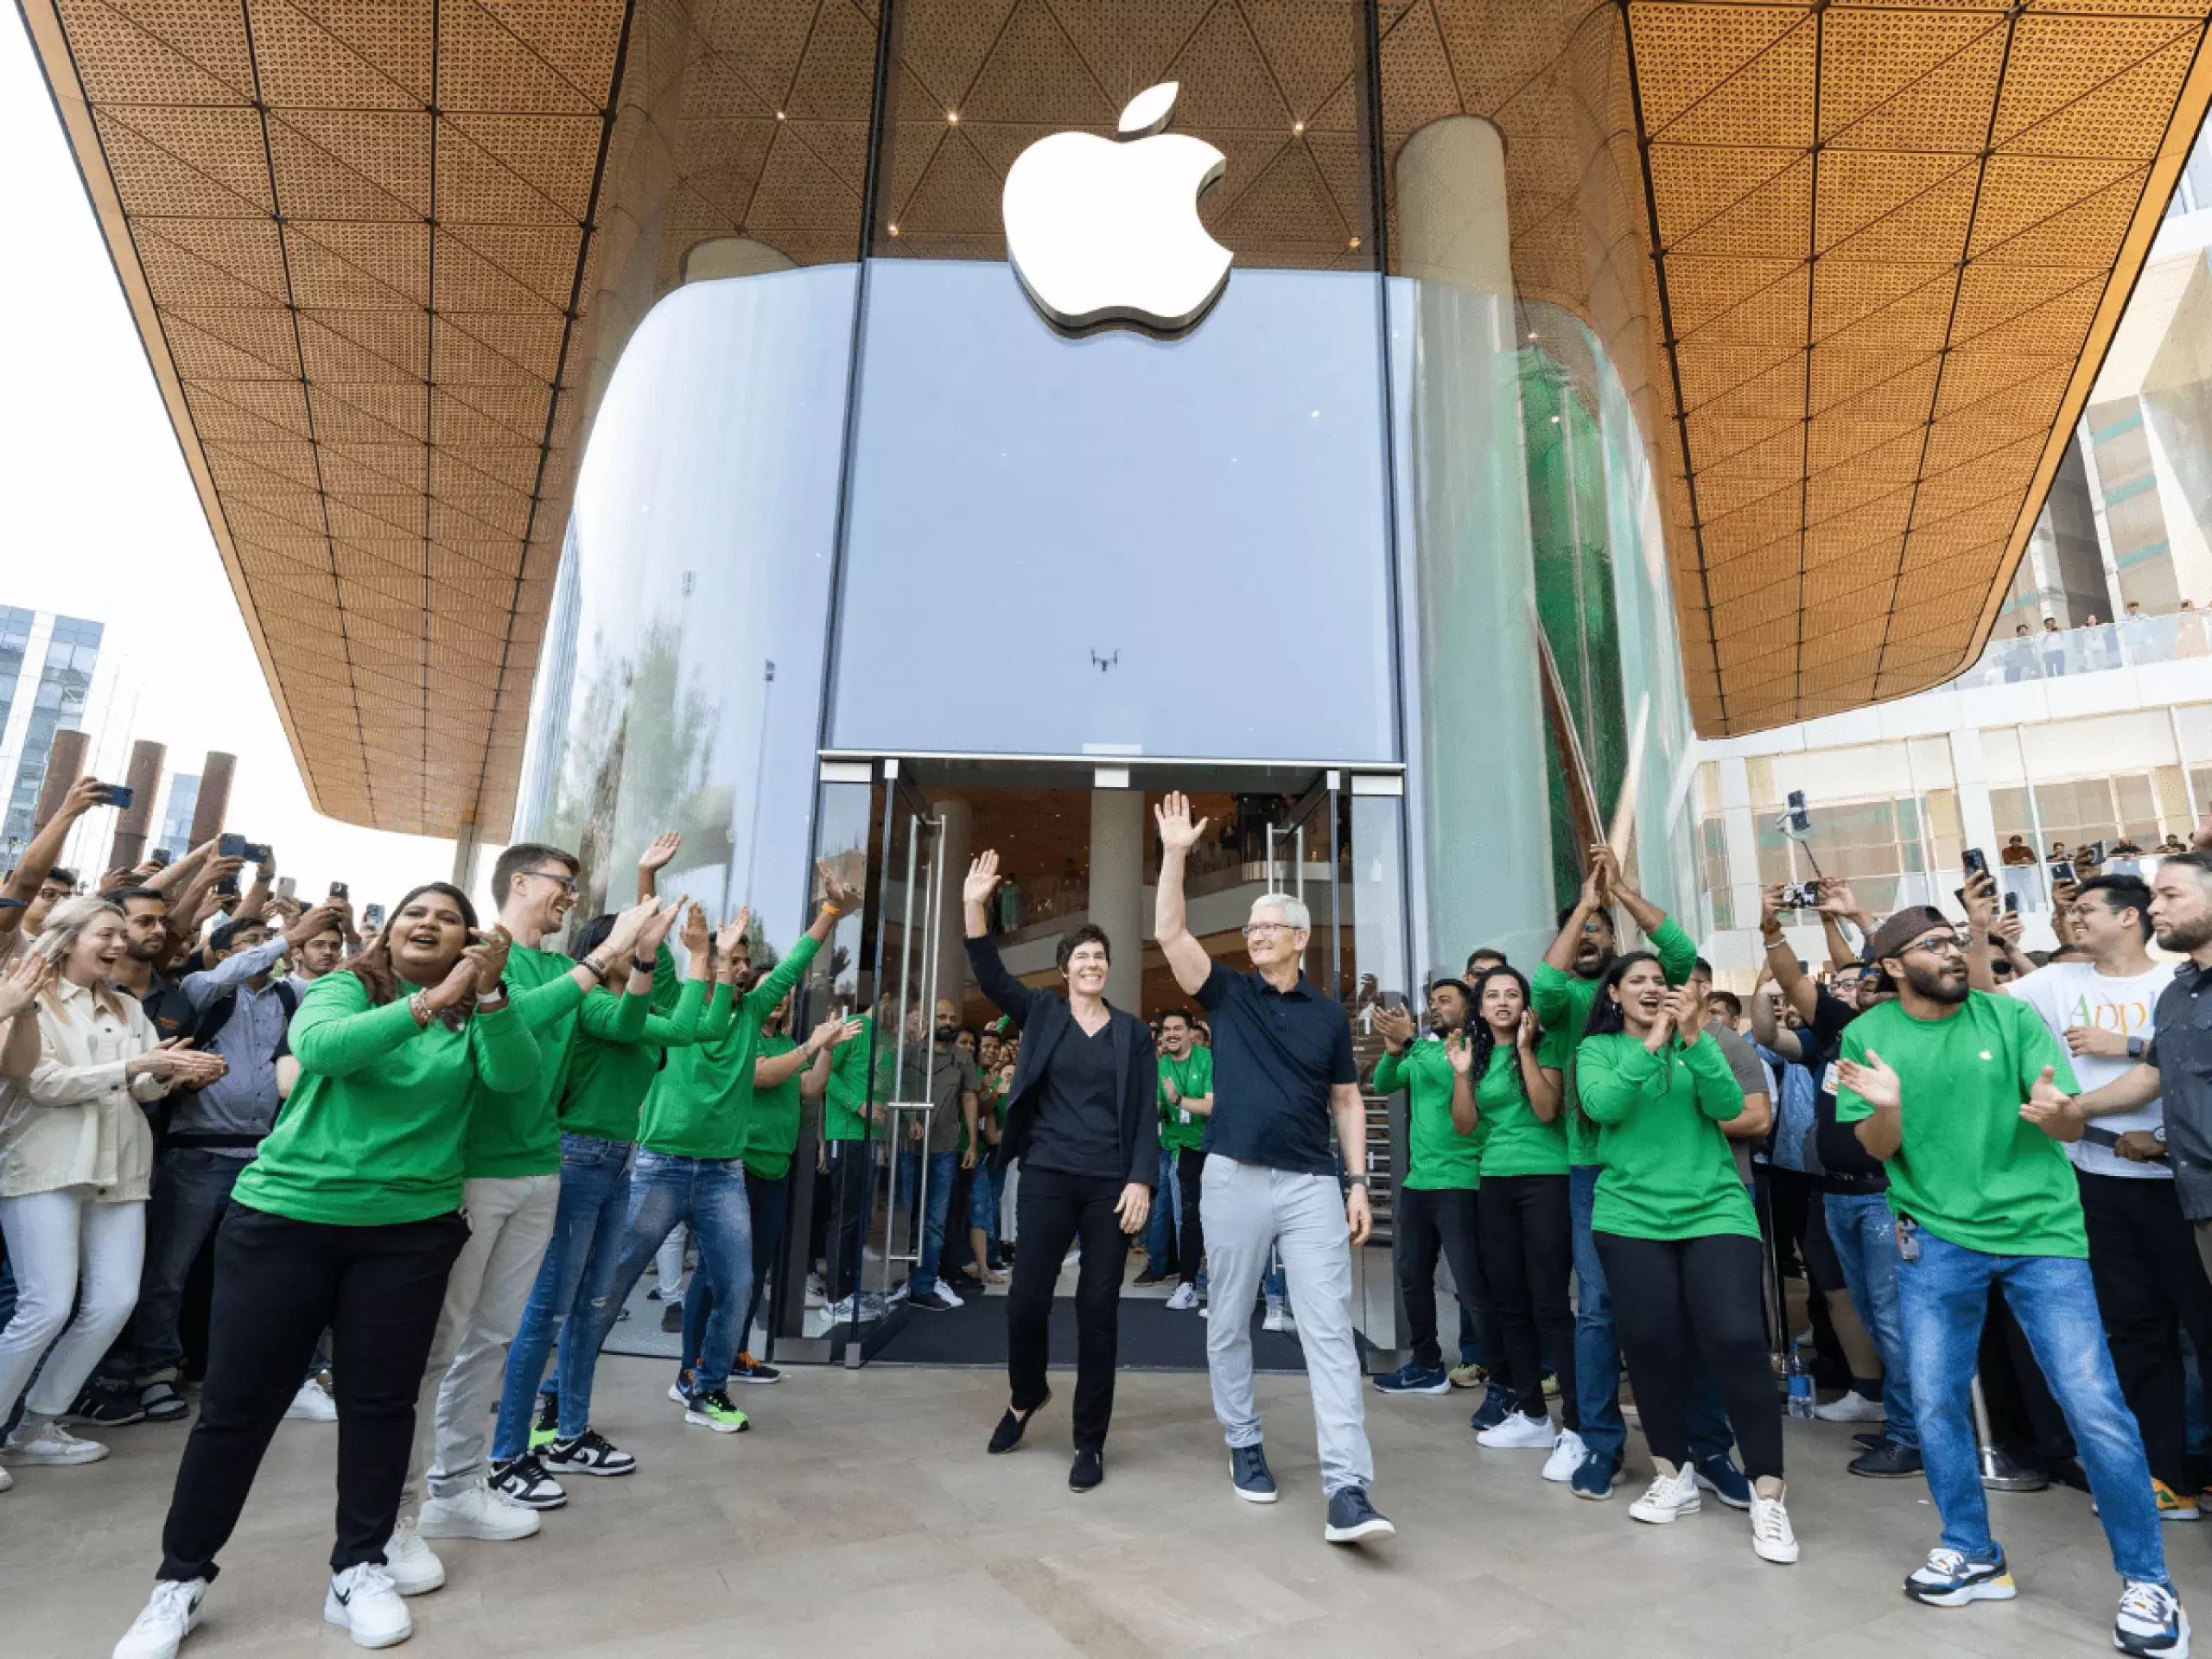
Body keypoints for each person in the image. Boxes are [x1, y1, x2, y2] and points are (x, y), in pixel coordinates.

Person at [111, 884, 538, 1657]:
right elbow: (324, 1051)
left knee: (379, 1408)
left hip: (408, 1232)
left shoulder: (478, 1011)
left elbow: (514, 1081)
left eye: (449, 918)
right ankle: (178, 1583)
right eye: (417, 912)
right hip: (285, 1222)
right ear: (390, 932)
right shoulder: (345, 987)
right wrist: (432, 999)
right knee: (238, 1411)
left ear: (470, 941)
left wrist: (492, 997)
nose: (429, 924)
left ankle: (358, 1569)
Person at [1836, 905, 2185, 1656]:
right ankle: (1972, 1550)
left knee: (2093, 1403)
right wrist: (1889, 1108)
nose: (1953, 953)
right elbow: (1873, 1145)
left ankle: (2148, 1582)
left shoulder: (2009, 1020)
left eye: (1952, 941)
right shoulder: (1868, 1037)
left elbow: (2058, 1122)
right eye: (1931, 947)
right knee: (1934, 1400)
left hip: (2041, 1235)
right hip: (1933, 1237)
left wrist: (2063, 1114)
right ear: (1894, 967)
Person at [397, 847, 671, 1573]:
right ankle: (403, 1508)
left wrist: (639, 960)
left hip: (540, 1168)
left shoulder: (559, 969)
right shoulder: (481, 953)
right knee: (441, 1343)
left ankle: (459, 1488)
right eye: (562, 887)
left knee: (493, 1335)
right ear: (520, 884)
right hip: (471, 1174)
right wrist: (604, 953)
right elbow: (510, 1019)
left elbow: (625, 1021)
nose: (570, 901)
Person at [1154, 794, 1392, 1544]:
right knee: (1229, 1319)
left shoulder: (1327, 1015)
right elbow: (1169, 932)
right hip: (1231, 1176)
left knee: (1327, 1330)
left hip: (1312, 1184)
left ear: (1300, 937)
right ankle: (1244, 1441)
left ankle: (1348, 1487)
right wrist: (1174, 854)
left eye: (1266, 927)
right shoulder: (1226, 996)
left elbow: (1348, 1101)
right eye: (1250, 927)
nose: (1254, 935)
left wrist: (1357, 1182)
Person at [486, 896, 740, 1510]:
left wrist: (712, 961)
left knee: (591, 1306)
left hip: (615, 1159)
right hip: (576, 1159)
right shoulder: (594, 1004)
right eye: (636, 944)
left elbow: (697, 1027)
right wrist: (655, 952)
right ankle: (505, 1454)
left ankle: (569, 1435)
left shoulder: (631, 1001)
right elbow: (638, 1024)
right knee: (548, 1310)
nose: (643, 953)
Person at [587, 861, 855, 1434]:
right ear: (702, 964)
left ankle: (707, 1387)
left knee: (736, 1284)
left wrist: (830, 912)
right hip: (660, 1164)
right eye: (722, 958)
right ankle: (562, 1397)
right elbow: (651, 945)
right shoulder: (669, 1002)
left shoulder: (752, 1012)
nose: (731, 967)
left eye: (739, 961)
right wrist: (646, 878)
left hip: (722, 1175)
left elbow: (796, 963)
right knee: (612, 1283)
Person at [1993, 872, 2212, 1522]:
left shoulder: (2168, 984)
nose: (2158, 904)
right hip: (2109, 1186)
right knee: (2136, 1332)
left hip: (2184, 1190)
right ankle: (2167, 1479)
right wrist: (2074, 1116)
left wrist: (2165, 1137)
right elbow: (2158, 1074)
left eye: (2170, 895)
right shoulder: (2183, 992)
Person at [1534, 845, 1747, 1506]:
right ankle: (1599, 1442)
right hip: (1597, 1176)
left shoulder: (1661, 992)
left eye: (1599, 931)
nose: (1590, 937)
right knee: (1599, 1312)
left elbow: (1676, 952)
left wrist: (1621, 891)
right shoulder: (1574, 1004)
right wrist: (1586, 907)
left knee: (1692, 1315)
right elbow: (1544, 983)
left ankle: (1707, 1447)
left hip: (1684, 1180)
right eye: (1581, 930)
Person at [1577, 953, 1796, 1563]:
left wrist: (1693, 1037)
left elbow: (1731, 1109)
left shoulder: (1699, 1043)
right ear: (1616, 994)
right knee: (1650, 1345)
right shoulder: (1597, 1051)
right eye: (1638, 982)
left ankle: (1768, 1495)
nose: (1651, 989)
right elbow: (1603, 1108)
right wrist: (1650, 1044)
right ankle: (1673, 1475)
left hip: (1714, 1209)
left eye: (1660, 982)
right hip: (1629, 1215)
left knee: (1735, 1340)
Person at [90, 906, 342, 1428]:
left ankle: (259, 1370)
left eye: (269, 941)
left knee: (261, 1275)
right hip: (197, 1155)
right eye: (251, 942)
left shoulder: (290, 997)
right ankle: (156, 1370)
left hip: (261, 1156)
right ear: (225, 952)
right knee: (169, 1273)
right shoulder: (205, 987)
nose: (264, 949)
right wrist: (288, 936)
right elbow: (228, 970)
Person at [2, 904, 223, 1474]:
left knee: (115, 1302)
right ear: (68, 939)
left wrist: (170, 1073)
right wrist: (132, 1070)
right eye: (107, 934)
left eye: (122, 936)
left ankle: (35, 1426)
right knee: (45, 1306)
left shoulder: (126, 1005)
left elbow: (143, 1089)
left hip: (121, 1170)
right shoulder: (29, 999)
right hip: (46, 1166)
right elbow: (41, 1084)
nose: (120, 945)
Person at [963, 849, 1154, 1491]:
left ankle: (1089, 1441)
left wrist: (1141, 1180)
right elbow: (990, 976)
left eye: (1100, 957)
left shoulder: (1132, 1035)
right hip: (1046, 1172)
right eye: (1081, 957)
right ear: (1065, 969)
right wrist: (975, 904)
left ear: (1108, 968)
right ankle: (1026, 1394)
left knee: (1098, 1308)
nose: (1092, 964)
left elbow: (1145, 1118)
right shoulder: (1042, 1014)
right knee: (1024, 1302)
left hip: (1109, 1182)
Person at [1461, 964, 1580, 1475]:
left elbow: (1548, 1110)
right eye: (1493, 995)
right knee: (1508, 1302)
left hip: (1546, 1179)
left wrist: (1527, 1050)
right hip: (1494, 1180)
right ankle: (1533, 1415)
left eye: (1513, 994)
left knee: (1550, 1303)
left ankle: (1576, 1425)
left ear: (1525, 1003)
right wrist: (1463, 1074)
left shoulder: (1544, 1043)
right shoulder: (1476, 1053)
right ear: (1480, 1005)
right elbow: (1465, 1126)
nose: (1503, 1002)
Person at [1369, 981, 1493, 1408]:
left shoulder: (1481, 1044)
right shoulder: (1424, 1050)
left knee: (1473, 1285)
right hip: (1420, 1183)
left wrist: (1410, 1042)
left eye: (1444, 1000)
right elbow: (1385, 1083)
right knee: (1411, 1276)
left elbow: (1453, 1074)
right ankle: (1426, 1364)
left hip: (1462, 1181)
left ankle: (1508, 1378)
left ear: (1467, 1005)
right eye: (1431, 1002)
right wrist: (1392, 1050)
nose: (1434, 1008)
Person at [733, 992, 853, 1383]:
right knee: (726, 1272)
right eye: (772, 993)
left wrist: (827, 1050)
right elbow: (763, 1075)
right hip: (740, 1165)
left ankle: (737, 1354)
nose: (780, 1001)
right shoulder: (741, 1032)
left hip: (775, 1167)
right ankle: (699, 1364)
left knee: (754, 1270)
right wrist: (812, 1044)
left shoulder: (786, 1045)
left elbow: (811, 1088)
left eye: (785, 997)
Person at [893, 996, 981, 1312]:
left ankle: (924, 1283)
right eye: (941, 1016)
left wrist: (971, 1143)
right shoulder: (911, 1053)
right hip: (910, 1146)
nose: (948, 1022)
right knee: (909, 1214)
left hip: (944, 1147)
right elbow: (896, 1087)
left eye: (952, 1016)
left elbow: (970, 1099)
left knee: (935, 1220)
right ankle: (906, 1277)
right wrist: (910, 1117)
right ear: (928, 1020)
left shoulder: (963, 1058)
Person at [1154, 1008, 1212, 1305]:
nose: (1172, 1034)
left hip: (1214, 1151)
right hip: (1181, 1150)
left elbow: (1212, 1107)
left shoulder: (1207, 1060)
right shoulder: (1161, 1064)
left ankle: (1217, 1282)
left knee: (1216, 1219)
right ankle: (1188, 1283)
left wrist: (1179, 1100)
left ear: (1191, 1032)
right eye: (1167, 1029)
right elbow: (1159, 1109)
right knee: (1186, 1219)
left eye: (1178, 1028)